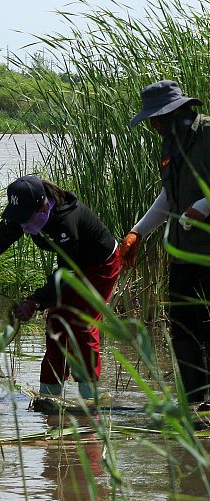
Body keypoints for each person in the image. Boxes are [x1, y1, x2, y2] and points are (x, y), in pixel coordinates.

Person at [0, 175, 122, 410]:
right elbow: (5, 233)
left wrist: (35, 301)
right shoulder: (25, 208)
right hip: (72, 265)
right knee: (57, 325)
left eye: (26, 218)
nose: (23, 224)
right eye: (19, 218)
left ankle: (89, 401)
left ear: (44, 206)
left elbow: (66, 274)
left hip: (98, 265)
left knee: (81, 326)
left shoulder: (65, 222)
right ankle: (48, 398)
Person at [120, 80, 210, 409]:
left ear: (176, 113)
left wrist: (204, 207)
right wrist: (137, 232)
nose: (153, 125)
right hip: (184, 251)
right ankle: (193, 401)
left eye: (156, 118)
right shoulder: (170, 144)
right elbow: (169, 196)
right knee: (184, 326)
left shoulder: (207, 134)